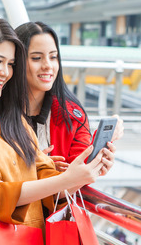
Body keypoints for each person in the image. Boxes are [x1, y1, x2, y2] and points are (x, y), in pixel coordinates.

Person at [0, 16, 115, 231]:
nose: (5, 72)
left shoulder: (13, 119)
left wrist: (84, 172)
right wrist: (65, 180)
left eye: (11, 64)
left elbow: (45, 180)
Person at [15, 21, 123, 172]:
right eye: (36, 58)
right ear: (16, 61)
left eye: (53, 57)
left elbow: (79, 170)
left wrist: (98, 161)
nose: (48, 65)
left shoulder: (72, 114)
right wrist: (33, 168)